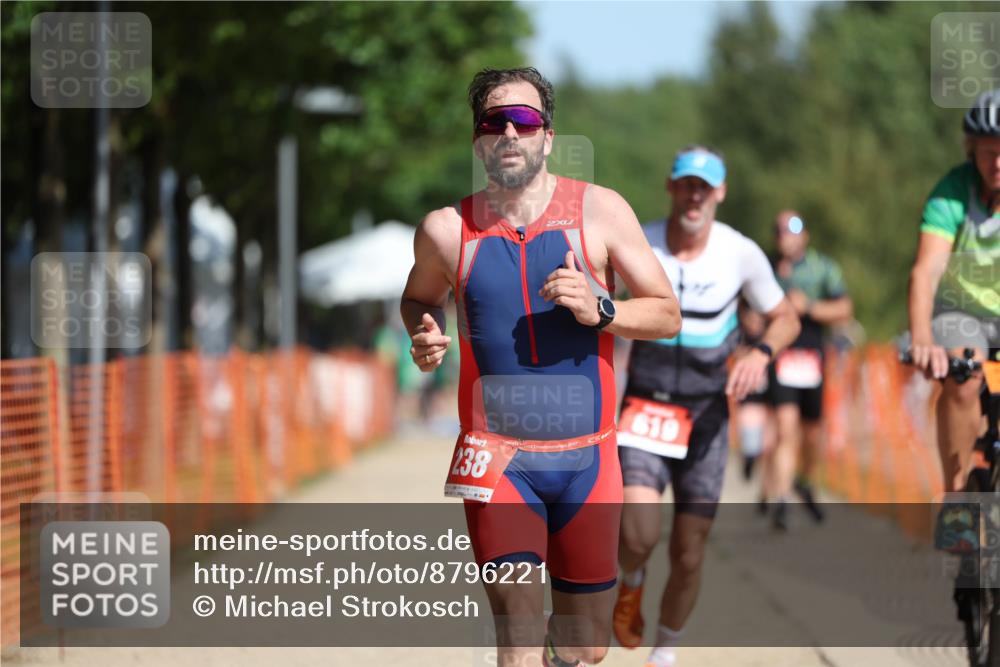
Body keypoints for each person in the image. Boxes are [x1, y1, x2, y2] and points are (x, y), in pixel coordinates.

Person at [400, 67, 681, 667]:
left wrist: (602, 309)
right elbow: (419, 298)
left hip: (589, 460)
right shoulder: (446, 231)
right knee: (520, 637)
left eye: (523, 120)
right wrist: (423, 331)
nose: (508, 132)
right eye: (493, 122)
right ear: (476, 139)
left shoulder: (600, 213)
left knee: (587, 647)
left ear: (547, 136)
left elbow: (666, 314)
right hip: (498, 458)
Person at [611, 146, 800, 666]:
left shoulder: (739, 252)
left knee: (689, 552)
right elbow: (597, 300)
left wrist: (761, 353)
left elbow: (785, 317)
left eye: (705, 186)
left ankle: (664, 652)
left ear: (719, 193)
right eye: (686, 184)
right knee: (638, 533)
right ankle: (632, 579)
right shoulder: (639, 242)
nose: (694, 195)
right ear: (671, 187)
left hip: (707, 417)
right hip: (645, 405)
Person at [908, 89, 1000, 500]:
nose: (997, 164)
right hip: (961, 314)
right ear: (971, 151)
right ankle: (958, 496)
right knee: (964, 375)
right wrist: (922, 339)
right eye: (987, 152)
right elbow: (927, 269)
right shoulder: (953, 191)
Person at [762, 211, 853, 531]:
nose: (785, 235)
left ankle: (803, 480)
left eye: (793, 229)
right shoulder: (765, 268)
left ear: (805, 235)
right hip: (780, 355)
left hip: (812, 355)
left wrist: (809, 307)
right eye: (779, 230)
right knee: (786, 427)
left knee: (812, 432)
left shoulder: (823, 268)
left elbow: (844, 308)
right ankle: (782, 499)